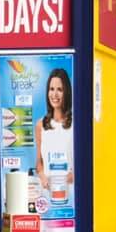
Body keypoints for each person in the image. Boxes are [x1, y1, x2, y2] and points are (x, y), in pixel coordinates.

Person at [35, 67, 74, 199]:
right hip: (47, 194)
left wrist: (73, 176)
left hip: (71, 192)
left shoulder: (76, 124)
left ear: (66, 92)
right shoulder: (40, 125)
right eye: (51, 89)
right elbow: (39, 163)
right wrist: (42, 177)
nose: (54, 95)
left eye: (60, 90)